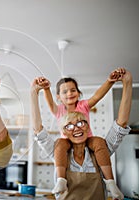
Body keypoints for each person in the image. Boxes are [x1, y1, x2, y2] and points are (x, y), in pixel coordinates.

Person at [30, 69, 132, 199]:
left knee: (98, 141)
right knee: (60, 143)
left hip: (90, 141)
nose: (76, 129)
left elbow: (118, 120)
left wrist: (116, 82)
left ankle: (110, 182)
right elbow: (38, 129)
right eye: (69, 125)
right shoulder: (59, 151)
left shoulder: (100, 152)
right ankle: (61, 180)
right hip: (64, 143)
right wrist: (42, 90)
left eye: (81, 123)